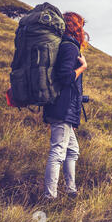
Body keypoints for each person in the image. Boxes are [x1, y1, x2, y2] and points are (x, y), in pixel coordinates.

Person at [42, 12, 88, 199]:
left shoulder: (64, 45)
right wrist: (82, 67)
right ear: (76, 27)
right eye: (81, 26)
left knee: (72, 150)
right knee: (58, 151)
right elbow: (65, 76)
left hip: (62, 107)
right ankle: (50, 197)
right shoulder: (69, 47)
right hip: (62, 107)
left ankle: (71, 190)